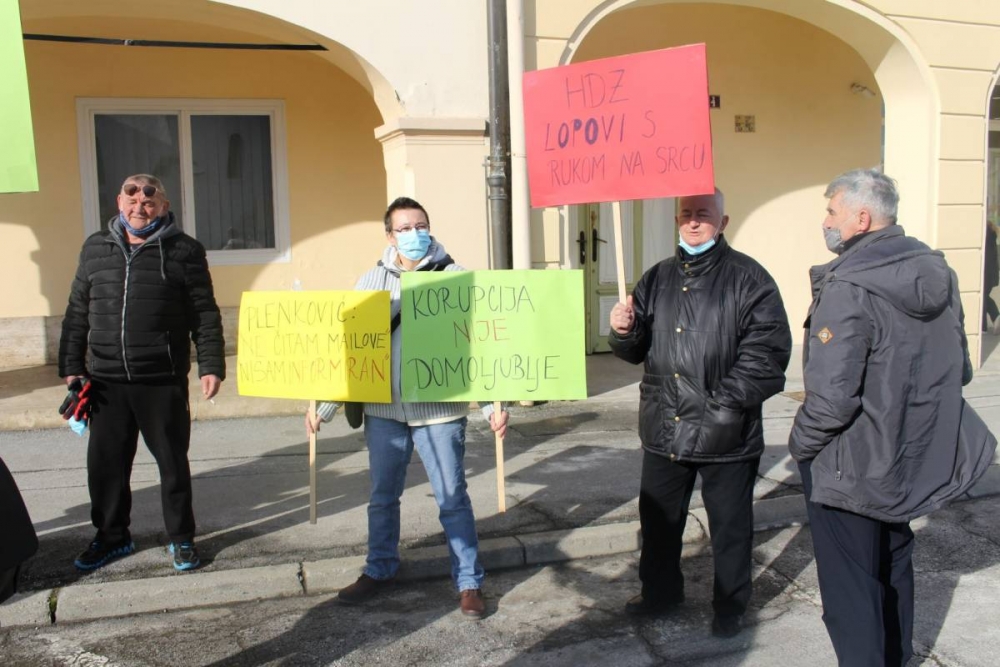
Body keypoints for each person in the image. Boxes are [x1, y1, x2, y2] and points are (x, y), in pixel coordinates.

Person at [789, 169, 995, 666]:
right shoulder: (937, 271)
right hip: (907, 455)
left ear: (861, 218)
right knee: (893, 566)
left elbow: (832, 398)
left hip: (851, 466)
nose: (826, 221)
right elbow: (959, 369)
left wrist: (802, 444)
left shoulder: (848, 284)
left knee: (852, 594)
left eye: (831, 211)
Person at [306, 196, 509, 620]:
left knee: (453, 498)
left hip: (439, 412)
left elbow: (475, 346)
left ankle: (469, 581)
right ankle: (379, 570)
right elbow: (352, 351)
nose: (414, 234)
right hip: (384, 413)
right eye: (404, 228)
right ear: (389, 235)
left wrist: (493, 405)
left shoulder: (455, 277)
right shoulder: (370, 282)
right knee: (382, 497)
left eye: (421, 226)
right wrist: (323, 407)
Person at [609, 188, 791, 638]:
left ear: (723, 221)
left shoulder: (751, 279)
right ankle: (660, 593)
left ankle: (730, 606)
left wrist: (723, 404)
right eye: (686, 214)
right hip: (664, 427)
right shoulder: (656, 278)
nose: (693, 222)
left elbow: (767, 354)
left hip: (725, 430)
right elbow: (636, 350)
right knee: (659, 522)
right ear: (676, 219)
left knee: (730, 527)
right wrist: (622, 331)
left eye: (703, 215)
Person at [59, 174, 225, 573]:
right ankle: (112, 536)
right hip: (105, 381)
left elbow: (204, 313)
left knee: (171, 464)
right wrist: (71, 366)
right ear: (119, 202)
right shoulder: (95, 248)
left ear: (163, 206)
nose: (140, 205)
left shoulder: (185, 251)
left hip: (160, 379)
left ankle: (181, 539)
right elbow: (78, 310)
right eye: (131, 197)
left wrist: (211, 365)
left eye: (149, 199)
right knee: (106, 466)